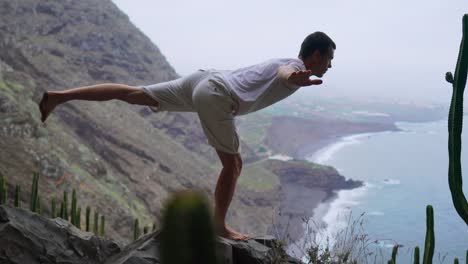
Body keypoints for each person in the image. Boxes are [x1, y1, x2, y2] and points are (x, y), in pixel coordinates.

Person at [38, 31, 335, 241]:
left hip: (203, 79)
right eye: (329, 59)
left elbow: (280, 70)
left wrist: (290, 77)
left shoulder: (284, 60)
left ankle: (59, 97)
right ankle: (219, 226)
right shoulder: (295, 67)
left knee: (133, 93)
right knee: (233, 165)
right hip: (216, 93)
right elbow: (286, 72)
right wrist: (293, 78)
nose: (330, 66)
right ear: (317, 54)